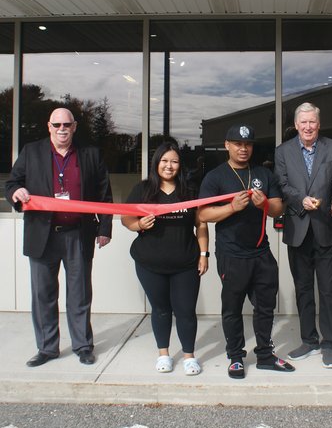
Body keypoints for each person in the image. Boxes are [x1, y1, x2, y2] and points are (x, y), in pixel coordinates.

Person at [5, 107, 112, 367]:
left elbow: (103, 194)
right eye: (57, 125)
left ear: (74, 126)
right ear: (48, 126)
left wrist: (104, 229)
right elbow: (12, 184)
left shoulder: (90, 154)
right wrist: (17, 191)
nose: (62, 129)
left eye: (67, 124)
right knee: (43, 295)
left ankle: (83, 346)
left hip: (78, 234)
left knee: (80, 294)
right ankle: (47, 348)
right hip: (43, 235)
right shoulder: (31, 151)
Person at [197, 125, 294, 379]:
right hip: (232, 254)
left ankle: (265, 355)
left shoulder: (263, 172)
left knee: (265, 307)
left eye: (248, 144)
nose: (243, 148)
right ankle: (236, 357)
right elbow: (203, 214)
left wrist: (265, 204)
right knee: (232, 307)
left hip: (261, 251)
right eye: (238, 144)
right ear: (227, 145)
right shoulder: (215, 177)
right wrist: (231, 207)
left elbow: (277, 208)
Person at [121, 141, 208, 375]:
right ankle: (164, 354)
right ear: (156, 163)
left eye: (175, 161)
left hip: (186, 263)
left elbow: (201, 224)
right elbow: (125, 218)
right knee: (160, 309)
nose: (169, 166)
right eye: (165, 161)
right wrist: (138, 224)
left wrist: (203, 254)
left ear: (180, 165)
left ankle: (189, 356)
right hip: (150, 263)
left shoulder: (189, 191)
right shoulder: (143, 189)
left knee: (186, 310)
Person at [274, 102, 332, 369]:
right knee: (304, 289)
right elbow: (282, 184)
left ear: (319, 124)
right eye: (303, 122)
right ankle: (309, 340)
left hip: (327, 226)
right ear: (296, 125)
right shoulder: (283, 151)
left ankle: (329, 343)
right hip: (298, 229)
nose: (308, 126)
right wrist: (299, 200)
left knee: (329, 291)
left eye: (312, 122)